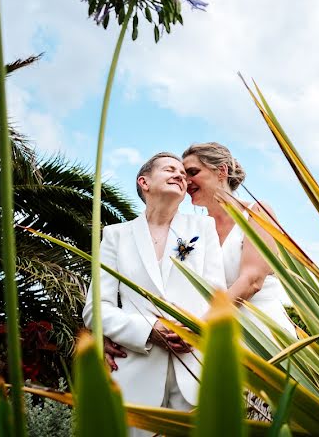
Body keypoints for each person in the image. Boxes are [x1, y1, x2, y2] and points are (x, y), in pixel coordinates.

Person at [83, 152, 225, 434]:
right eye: (170, 169)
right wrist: (148, 329)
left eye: (184, 174)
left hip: (195, 370)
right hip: (136, 371)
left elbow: (217, 296)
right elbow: (96, 308)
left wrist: (195, 330)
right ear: (144, 182)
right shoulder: (115, 235)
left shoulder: (203, 228)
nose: (180, 176)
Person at [181, 142, 295, 336]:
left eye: (193, 172)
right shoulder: (192, 230)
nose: (187, 181)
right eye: (184, 177)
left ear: (221, 171)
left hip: (261, 333)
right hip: (213, 337)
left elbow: (252, 280)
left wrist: (200, 325)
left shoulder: (257, 213)